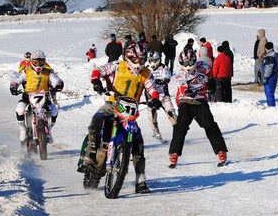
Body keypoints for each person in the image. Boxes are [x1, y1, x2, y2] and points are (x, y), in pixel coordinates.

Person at [85, 42, 161, 193]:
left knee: (138, 143)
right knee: (96, 120)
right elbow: (98, 70)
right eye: (138, 59)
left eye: (142, 59)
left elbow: (152, 88)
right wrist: (96, 82)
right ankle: (92, 147)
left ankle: (140, 180)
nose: (140, 62)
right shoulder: (117, 65)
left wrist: (155, 98)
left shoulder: (145, 73)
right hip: (113, 103)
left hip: (130, 111)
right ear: (129, 57)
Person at [168, 46, 228, 168]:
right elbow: (182, 87)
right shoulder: (179, 73)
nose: (188, 66)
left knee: (210, 125)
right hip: (186, 101)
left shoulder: (203, 67)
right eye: (185, 63)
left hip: (200, 101)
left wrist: (211, 86)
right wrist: (188, 91)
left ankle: (221, 150)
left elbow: (210, 79)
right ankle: (174, 152)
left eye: (190, 63)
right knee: (181, 127)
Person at [9, 50, 64, 143]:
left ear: (44, 61)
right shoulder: (26, 71)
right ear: (31, 61)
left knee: (54, 111)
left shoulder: (48, 72)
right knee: (19, 110)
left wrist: (58, 85)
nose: (38, 64)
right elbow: (16, 80)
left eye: (41, 62)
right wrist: (13, 87)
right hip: (27, 96)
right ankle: (23, 130)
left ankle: (49, 130)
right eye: (36, 62)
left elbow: (57, 80)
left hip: (44, 97)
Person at [145, 52, 178, 142]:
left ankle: (178, 132)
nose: (152, 63)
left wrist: (160, 81)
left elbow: (167, 77)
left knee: (171, 112)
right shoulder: (146, 69)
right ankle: (156, 132)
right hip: (151, 96)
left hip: (163, 95)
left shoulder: (164, 67)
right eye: (151, 61)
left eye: (154, 60)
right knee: (152, 116)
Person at [261, 41, 278, 106]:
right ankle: (271, 106)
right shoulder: (275, 54)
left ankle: (271, 107)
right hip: (275, 74)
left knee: (269, 92)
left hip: (270, 76)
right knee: (271, 92)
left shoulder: (270, 56)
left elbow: (269, 67)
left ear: (266, 48)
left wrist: (266, 77)